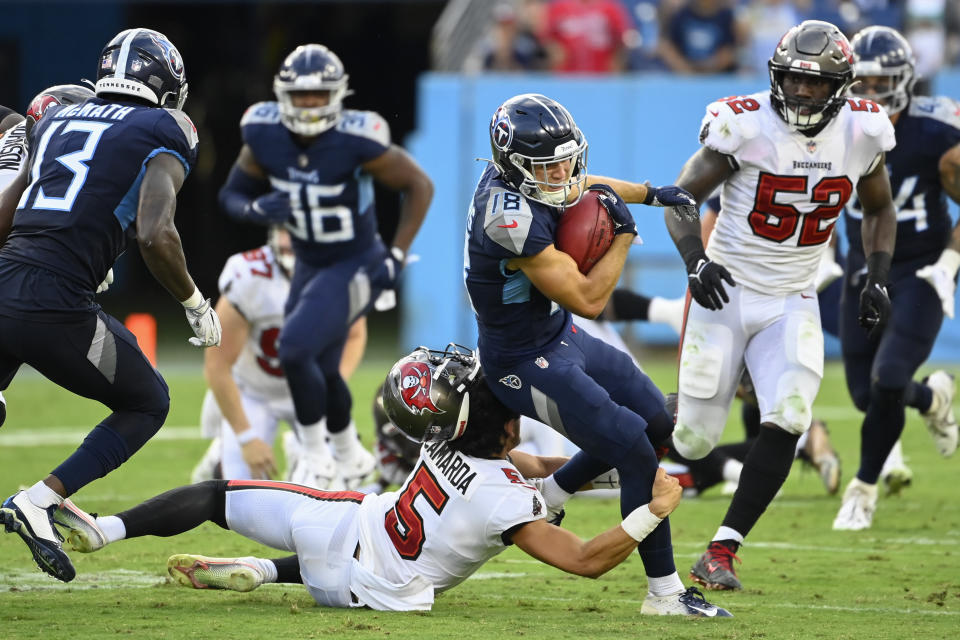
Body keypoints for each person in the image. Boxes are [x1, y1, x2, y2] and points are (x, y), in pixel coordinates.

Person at [51, 345, 730, 616]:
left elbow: (542, 477)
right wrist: (652, 508)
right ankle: (262, 573)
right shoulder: (507, 495)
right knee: (366, 554)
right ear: (497, 417)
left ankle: (104, 529)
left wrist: (629, 460)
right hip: (368, 592)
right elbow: (582, 560)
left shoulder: (444, 441)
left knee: (214, 496)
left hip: (341, 529)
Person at [662, 20, 898, 590]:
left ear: (841, 86)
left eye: (815, 85)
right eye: (792, 80)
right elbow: (679, 197)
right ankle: (589, 453)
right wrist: (696, 260)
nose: (801, 92)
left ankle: (721, 551)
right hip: (725, 290)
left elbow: (881, 209)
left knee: (790, 413)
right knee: (691, 439)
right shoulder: (743, 124)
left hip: (792, 295)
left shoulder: (864, 132)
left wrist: (877, 276)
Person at [464, 91, 716, 612]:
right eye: (546, 167)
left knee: (654, 422)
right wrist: (624, 232)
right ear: (514, 166)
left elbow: (585, 185)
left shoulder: (532, 177)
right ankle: (664, 593)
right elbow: (590, 298)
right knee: (632, 448)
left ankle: (553, 495)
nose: (561, 175)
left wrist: (650, 192)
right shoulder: (507, 217)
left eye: (564, 161)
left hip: (557, 336)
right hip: (519, 360)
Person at [0, 28, 221, 584]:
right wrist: (194, 302)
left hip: (6, 282)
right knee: (148, 401)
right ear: (166, 82)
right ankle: (39, 500)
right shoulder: (166, 126)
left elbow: (9, 214)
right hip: (54, 302)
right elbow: (154, 232)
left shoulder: (53, 119)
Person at [218, 44, 433, 489]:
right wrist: (258, 207)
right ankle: (350, 454)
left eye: (320, 94)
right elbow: (230, 196)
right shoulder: (265, 134)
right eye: (302, 95)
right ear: (284, 96)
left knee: (295, 349)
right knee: (324, 368)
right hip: (311, 263)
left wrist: (395, 254)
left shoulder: (358, 138)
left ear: (337, 94)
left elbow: (419, 185)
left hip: (356, 261)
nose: (312, 103)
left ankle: (316, 453)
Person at [831, 26, 960, 530]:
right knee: (866, 397)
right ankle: (933, 398)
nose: (870, 94)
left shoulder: (937, 133)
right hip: (864, 269)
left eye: (881, 82)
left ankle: (862, 489)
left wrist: (948, 264)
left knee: (888, 383)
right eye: (859, 83)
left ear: (905, 81)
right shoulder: (833, 128)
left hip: (921, 269)